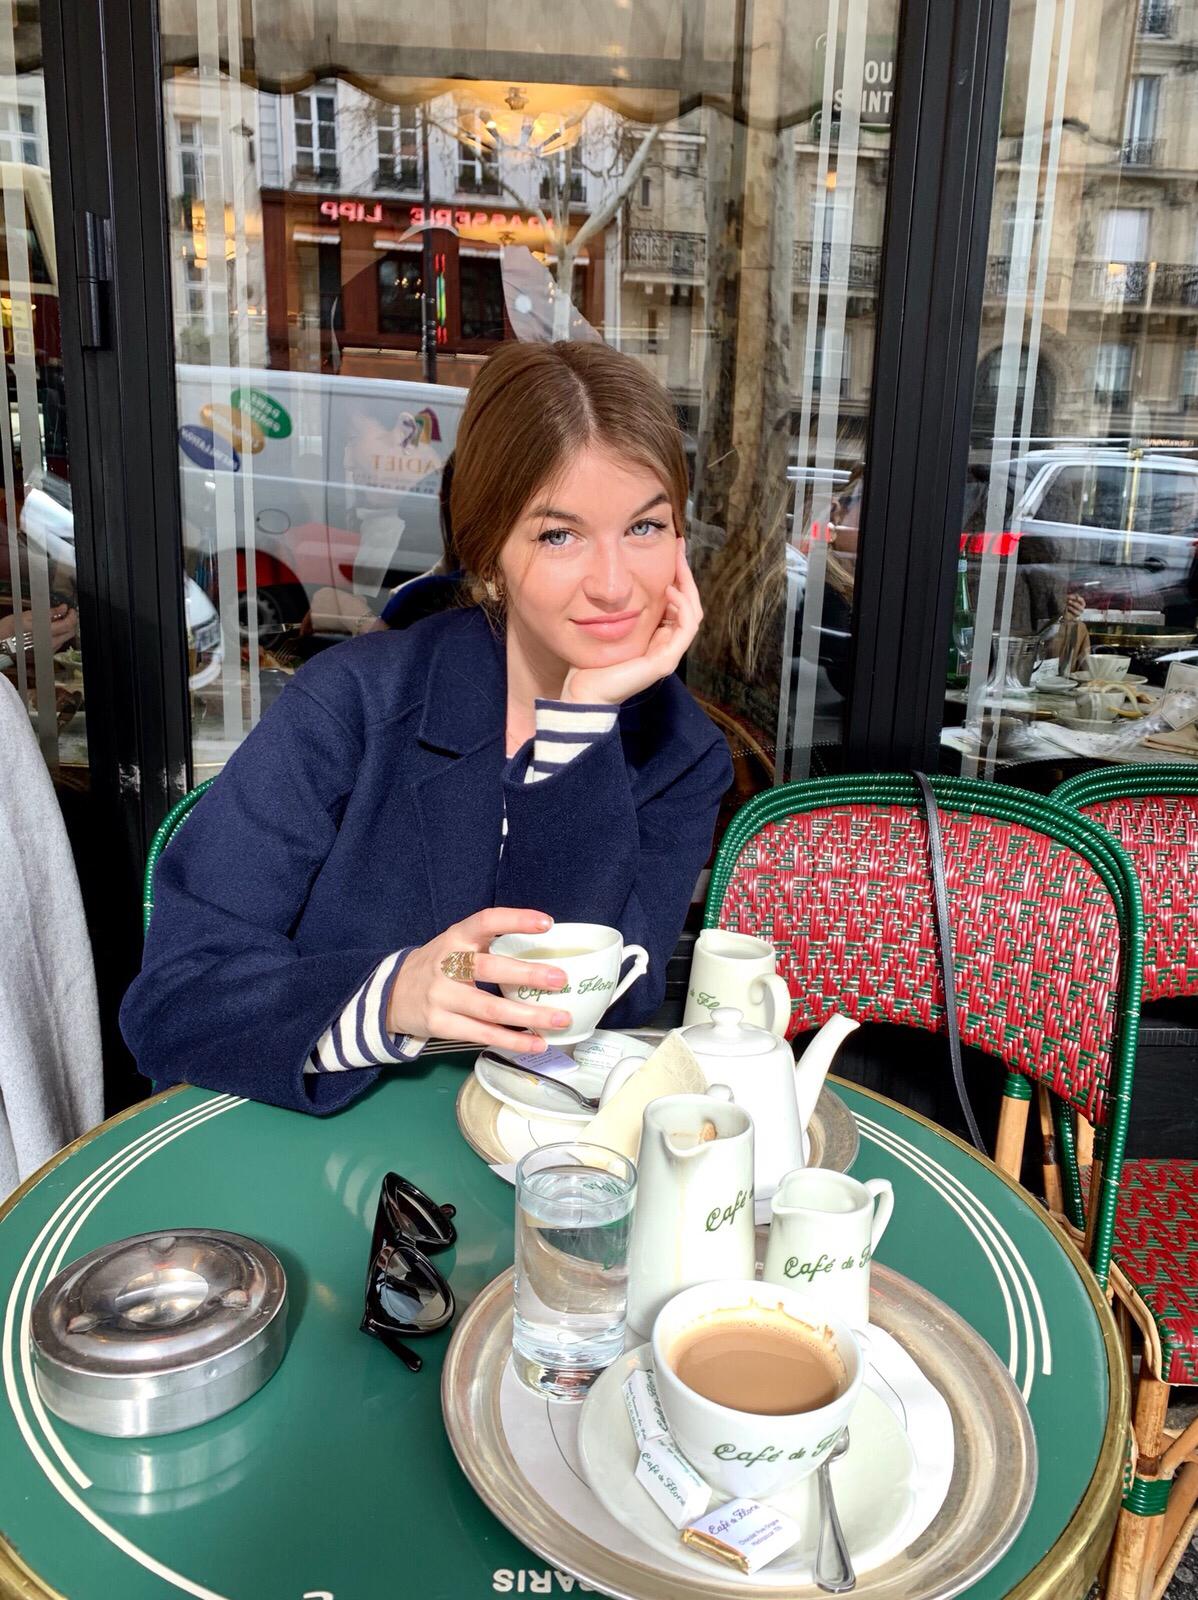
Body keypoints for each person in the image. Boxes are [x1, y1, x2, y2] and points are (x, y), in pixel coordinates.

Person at [120, 341, 734, 1115]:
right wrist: (392, 997)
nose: (615, 586)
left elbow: (598, 1006)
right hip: (323, 1148)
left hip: (535, 1158)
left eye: (645, 529)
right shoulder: (355, 704)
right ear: (488, 558)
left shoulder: (681, 756)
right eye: (558, 535)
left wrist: (580, 724)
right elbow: (175, 999)